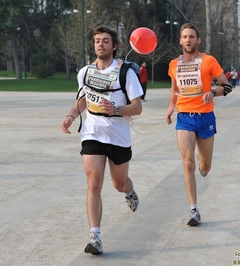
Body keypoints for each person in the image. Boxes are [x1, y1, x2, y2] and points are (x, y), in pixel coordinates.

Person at [61, 26, 143, 255]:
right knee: (94, 183)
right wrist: (71, 116)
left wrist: (116, 108)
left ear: (114, 46)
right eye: (97, 40)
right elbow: (82, 100)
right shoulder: (85, 72)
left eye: (105, 41)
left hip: (118, 136)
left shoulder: (126, 73)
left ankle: (129, 189)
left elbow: (138, 107)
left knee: (118, 184)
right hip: (92, 133)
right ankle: (95, 236)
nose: (100, 44)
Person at [165, 23, 232, 226]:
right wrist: (170, 108)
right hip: (184, 116)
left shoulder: (209, 61)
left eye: (192, 36)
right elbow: (174, 89)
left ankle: (201, 163)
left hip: (205, 117)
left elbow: (227, 86)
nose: (188, 40)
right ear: (180, 40)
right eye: (185, 37)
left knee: (204, 167)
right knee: (188, 164)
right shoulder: (173, 64)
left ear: (198, 40)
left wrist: (213, 92)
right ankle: (194, 210)